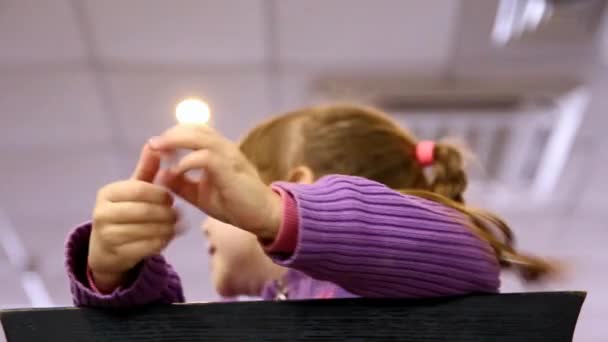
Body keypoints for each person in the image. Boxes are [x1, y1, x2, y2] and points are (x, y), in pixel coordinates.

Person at [65, 104, 551, 307]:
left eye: (229, 194)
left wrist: (279, 217)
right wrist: (113, 274)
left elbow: (468, 254)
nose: (208, 225)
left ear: (292, 187)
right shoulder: (281, 306)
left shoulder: (361, 288)